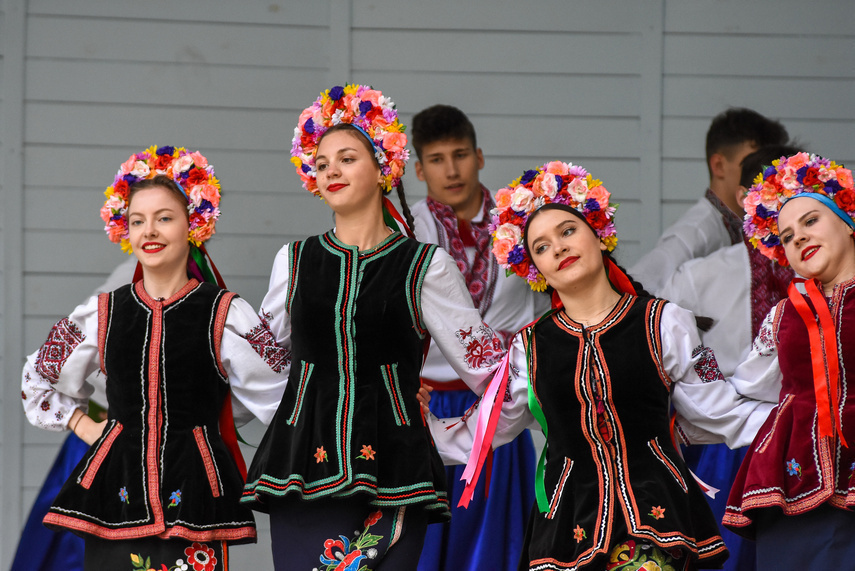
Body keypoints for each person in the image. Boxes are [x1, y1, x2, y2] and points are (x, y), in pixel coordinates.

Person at [426, 161, 775, 570]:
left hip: (653, 514)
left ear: (598, 233)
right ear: (534, 269)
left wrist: (796, 416)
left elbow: (717, 409)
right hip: (565, 524)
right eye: (541, 247)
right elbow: (487, 428)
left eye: (568, 231)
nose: (557, 247)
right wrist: (414, 427)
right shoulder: (531, 346)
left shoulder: (664, 322)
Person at [240, 85, 505, 571]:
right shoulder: (294, 262)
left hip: (395, 471)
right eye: (321, 164)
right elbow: (261, 358)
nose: (332, 171)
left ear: (384, 166)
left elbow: (492, 372)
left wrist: (449, 432)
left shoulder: (426, 267)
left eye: (347, 158)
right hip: (300, 467)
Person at [21, 147, 288, 570]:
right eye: (138, 220)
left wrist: (206, 428)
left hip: (195, 498)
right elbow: (36, 377)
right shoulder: (103, 312)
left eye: (164, 217)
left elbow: (281, 393)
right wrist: (85, 426)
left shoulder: (226, 314)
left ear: (194, 223)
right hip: (114, 495)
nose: (150, 230)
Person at [409, 104, 545, 571]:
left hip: (500, 407)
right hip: (424, 406)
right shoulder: (405, 230)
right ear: (417, 167)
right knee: (420, 547)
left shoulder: (523, 225)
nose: (451, 170)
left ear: (480, 156)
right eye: (437, 158)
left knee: (495, 551)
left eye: (461, 154)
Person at [657, 144, 801, 571]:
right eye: (774, 193)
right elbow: (666, 358)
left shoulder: (832, 277)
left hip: (816, 434)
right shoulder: (697, 276)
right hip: (727, 442)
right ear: (744, 198)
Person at [719, 153, 855, 568]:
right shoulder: (783, 316)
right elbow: (737, 389)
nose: (798, 238)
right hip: (795, 488)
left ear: (848, 221)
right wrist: (695, 356)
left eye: (811, 221)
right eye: (787, 235)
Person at [12, 257, 136, 571]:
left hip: (174, 459)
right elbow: (50, 367)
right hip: (107, 443)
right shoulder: (128, 278)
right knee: (78, 549)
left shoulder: (205, 282)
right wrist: (87, 423)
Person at [631, 108, 788, 293]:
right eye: (752, 161)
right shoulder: (695, 232)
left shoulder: (741, 227)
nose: (765, 172)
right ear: (719, 165)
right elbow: (638, 286)